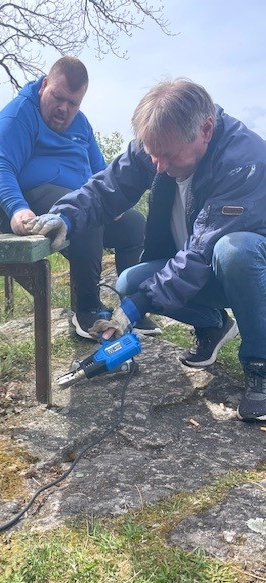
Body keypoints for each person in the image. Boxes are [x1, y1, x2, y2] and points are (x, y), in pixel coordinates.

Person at [24, 78, 266, 422]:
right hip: (200, 265)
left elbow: (203, 250)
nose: (159, 166)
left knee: (233, 250)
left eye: (168, 155)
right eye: (153, 154)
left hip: (249, 271)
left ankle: (260, 365)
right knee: (129, 283)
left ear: (206, 130)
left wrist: (138, 306)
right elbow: (107, 187)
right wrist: (65, 216)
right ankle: (213, 325)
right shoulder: (159, 142)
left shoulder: (245, 161)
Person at [0, 56, 160, 339]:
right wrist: (16, 208)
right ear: (45, 85)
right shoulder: (18, 115)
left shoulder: (81, 124)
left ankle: (133, 309)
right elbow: (0, 166)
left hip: (71, 205)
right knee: (86, 213)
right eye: (58, 98)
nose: (64, 109)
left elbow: (101, 170)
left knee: (133, 224)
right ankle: (87, 309)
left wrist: (115, 200)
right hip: (27, 205)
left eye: (73, 103)